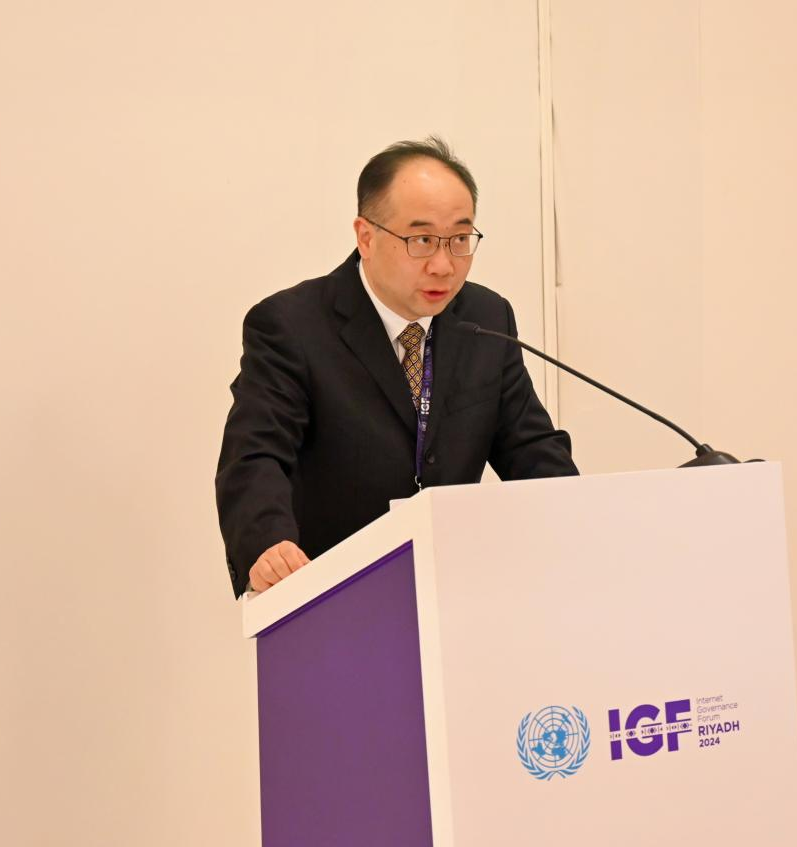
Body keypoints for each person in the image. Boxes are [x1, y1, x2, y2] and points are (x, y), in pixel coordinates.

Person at [215, 136, 576, 597]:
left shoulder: (486, 319)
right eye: (422, 240)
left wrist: (581, 520)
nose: (444, 266)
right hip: (331, 593)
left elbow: (530, 449)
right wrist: (268, 545)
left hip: (454, 592)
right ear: (366, 237)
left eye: (459, 240)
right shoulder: (292, 326)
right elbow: (255, 455)